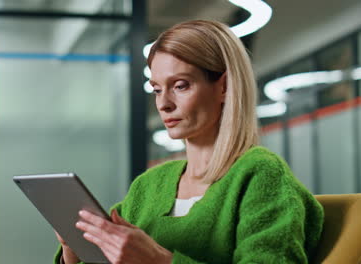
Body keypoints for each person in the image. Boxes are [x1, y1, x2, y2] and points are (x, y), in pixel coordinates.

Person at [54, 20, 324, 264]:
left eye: (181, 85)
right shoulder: (148, 186)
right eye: (157, 89)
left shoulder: (260, 174)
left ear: (224, 87)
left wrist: (159, 261)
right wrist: (74, 250)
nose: (163, 104)